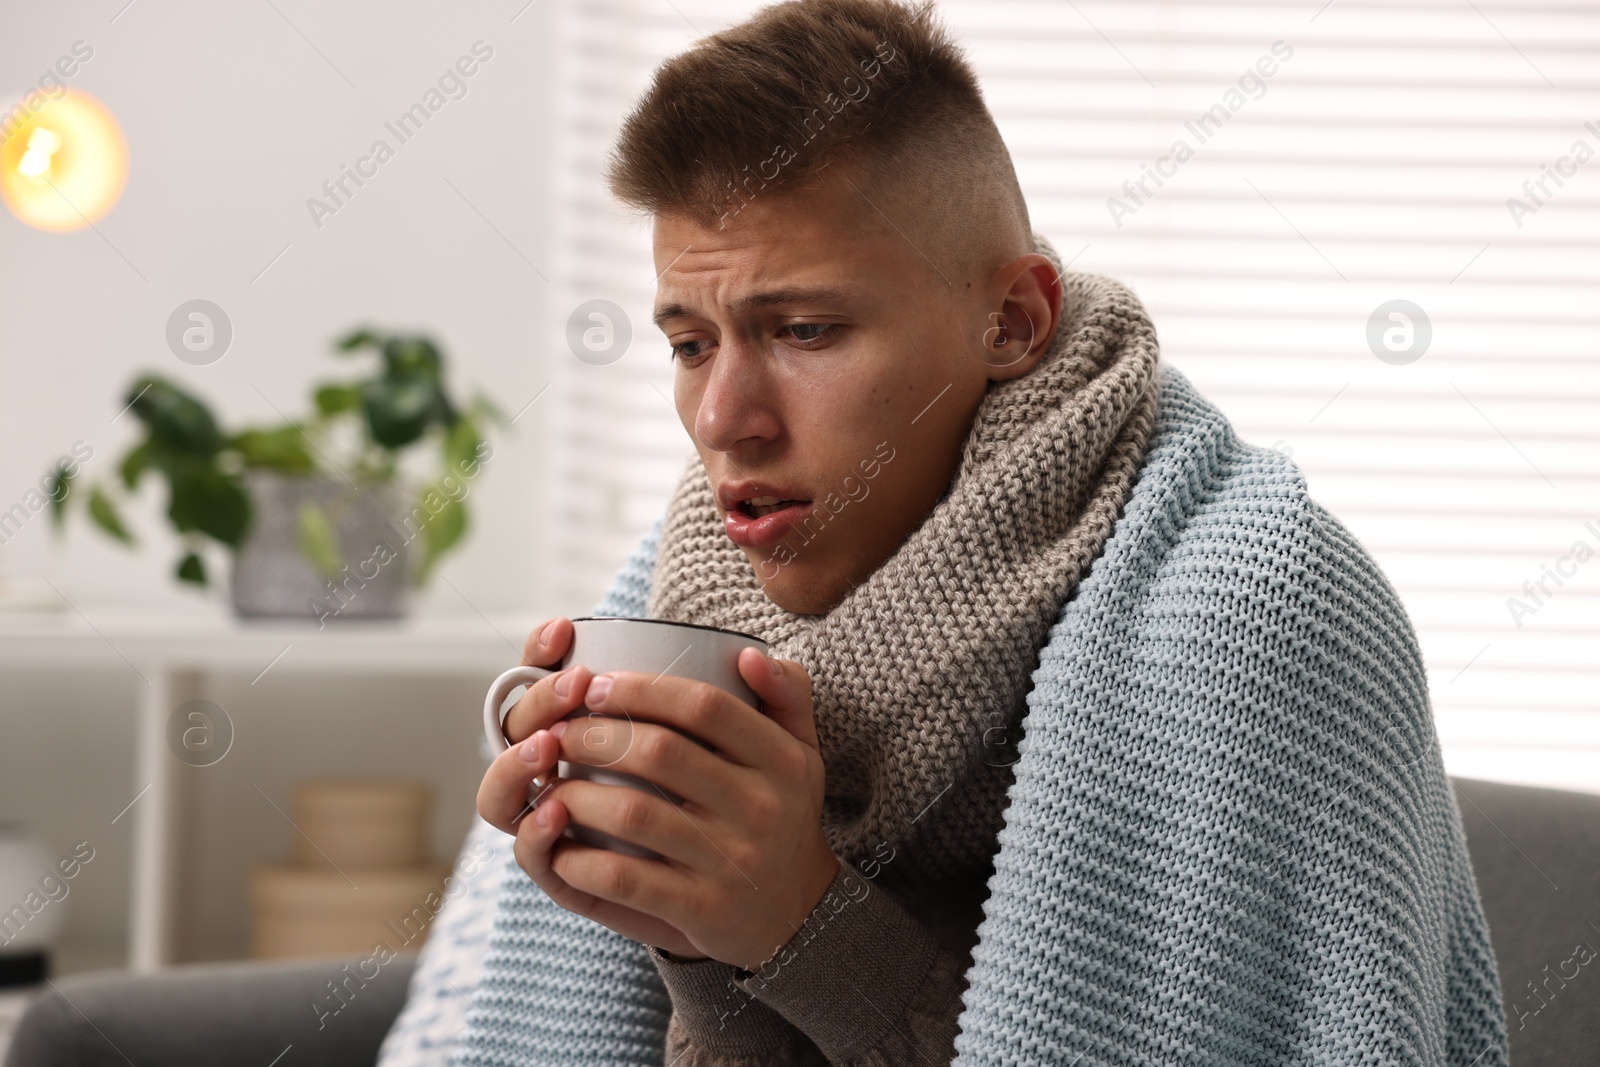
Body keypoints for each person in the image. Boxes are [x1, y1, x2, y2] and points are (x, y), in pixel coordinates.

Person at [461, 2, 1509, 1065]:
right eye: (690, 343)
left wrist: (801, 924)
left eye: (805, 330)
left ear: (1011, 321)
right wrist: (689, 927)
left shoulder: (1255, 611)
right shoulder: (677, 586)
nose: (725, 418)